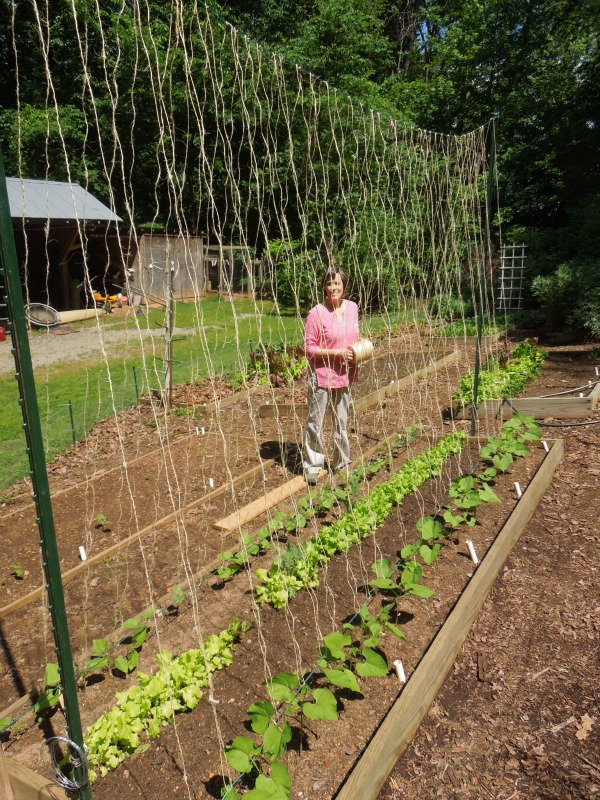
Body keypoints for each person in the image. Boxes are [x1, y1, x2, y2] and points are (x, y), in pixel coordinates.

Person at [303, 268, 360, 485]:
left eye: (337, 283)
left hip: (344, 374)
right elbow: (309, 349)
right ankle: (313, 464)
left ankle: (342, 462)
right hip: (322, 375)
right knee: (315, 422)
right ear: (324, 287)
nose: (334, 287)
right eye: (329, 284)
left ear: (344, 285)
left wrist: (360, 349)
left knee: (341, 420)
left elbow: (354, 335)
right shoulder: (316, 313)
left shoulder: (353, 308)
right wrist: (337, 353)